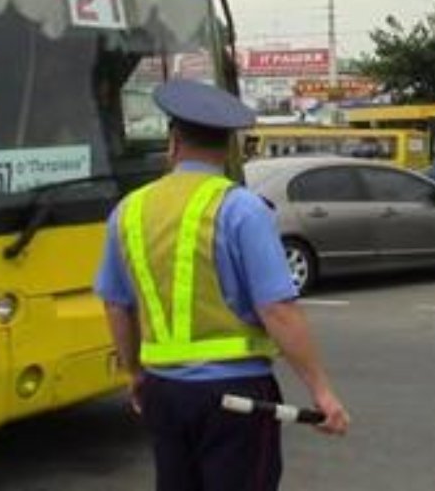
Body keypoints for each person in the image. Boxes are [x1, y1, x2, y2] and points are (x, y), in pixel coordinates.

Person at [94, 78, 349, 491]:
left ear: (173, 143)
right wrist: (321, 390)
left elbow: (115, 305)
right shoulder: (241, 209)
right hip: (236, 398)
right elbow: (277, 309)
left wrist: (135, 374)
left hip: (163, 391)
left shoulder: (128, 210)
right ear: (229, 148)